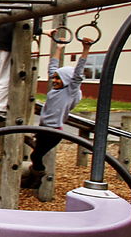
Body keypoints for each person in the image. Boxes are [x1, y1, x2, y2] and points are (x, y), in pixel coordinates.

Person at [21, 36, 94, 190]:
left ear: (67, 80)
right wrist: (58, 49)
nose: (54, 80)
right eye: (54, 78)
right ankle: (33, 176)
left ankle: (36, 179)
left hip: (53, 131)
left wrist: (86, 49)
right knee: (35, 152)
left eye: (58, 79)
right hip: (43, 128)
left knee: (36, 156)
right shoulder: (56, 89)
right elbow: (52, 67)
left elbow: (78, 72)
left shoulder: (70, 91)